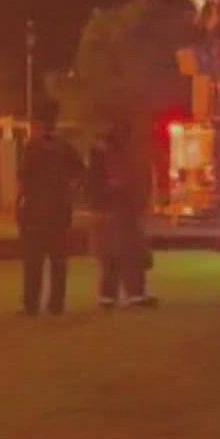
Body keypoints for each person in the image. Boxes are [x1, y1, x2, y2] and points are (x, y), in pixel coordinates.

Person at [17, 104, 82, 315]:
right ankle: (56, 304)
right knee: (58, 261)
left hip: (36, 212)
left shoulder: (32, 147)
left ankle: (31, 304)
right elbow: (80, 173)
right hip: (60, 212)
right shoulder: (65, 147)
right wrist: (68, 189)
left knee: (33, 262)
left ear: (39, 125)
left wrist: (20, 206)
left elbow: (24, 179)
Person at [88, 121, 157, 309]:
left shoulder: (97, 155)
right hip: (121, 211)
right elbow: (124, 183)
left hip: (102, 212)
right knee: (130, 254)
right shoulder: (118, 156)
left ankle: (107, 296)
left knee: (108, 256)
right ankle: (135, 294)